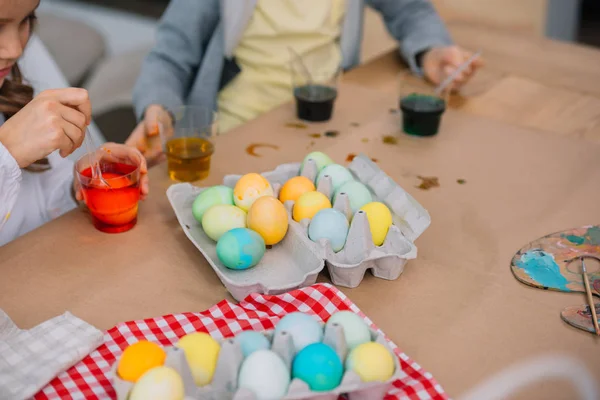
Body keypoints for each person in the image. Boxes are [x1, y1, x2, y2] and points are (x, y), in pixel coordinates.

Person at [127, 0, 483, 162]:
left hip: (322, 133)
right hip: (232, 137)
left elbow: (410, 9)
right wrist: (159, 108)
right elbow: (170, 54)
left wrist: (431, 50)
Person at [0, 0, 149, 247]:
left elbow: (34, 201)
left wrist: (80, 183)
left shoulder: (9, 91)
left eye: (26, 20)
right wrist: (8, 153)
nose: (15, 49)